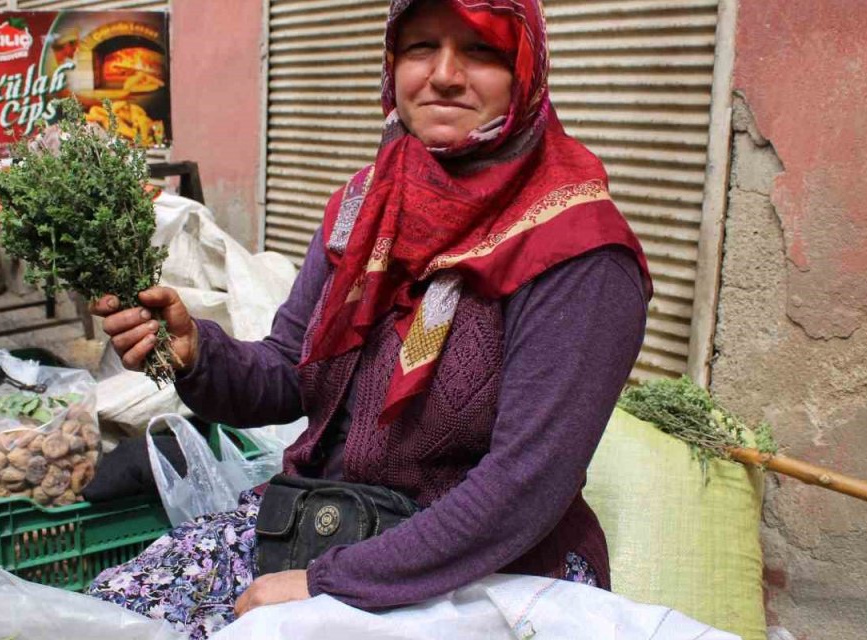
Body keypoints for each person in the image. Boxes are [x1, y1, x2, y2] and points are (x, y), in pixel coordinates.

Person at [87, 0, 651, 636]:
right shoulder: (364, 206)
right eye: (420, 48)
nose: (444, 75)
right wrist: (196, 352)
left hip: (485, 563)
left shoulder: (577, 252)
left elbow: (524, 486)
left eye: (483, 52)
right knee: (112, 609)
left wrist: (326, 585)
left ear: (526, 72)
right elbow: (287, 373)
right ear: (391, 64)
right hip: (330, 518)